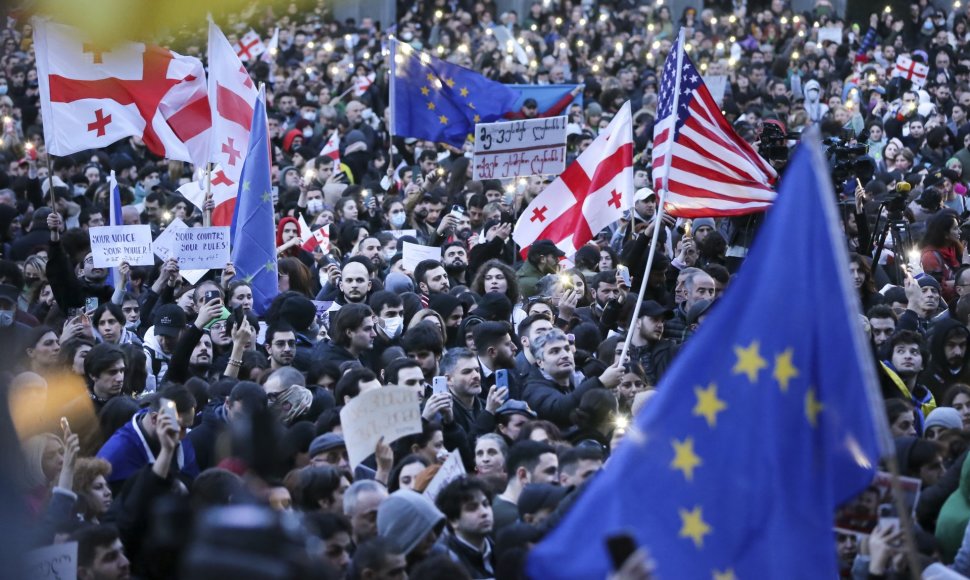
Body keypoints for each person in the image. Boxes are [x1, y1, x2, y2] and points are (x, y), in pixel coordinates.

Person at [96, 384, 199, 491]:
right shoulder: (117, 452)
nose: (183, 436)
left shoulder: (180, 438)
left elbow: (192, 479)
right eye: (181, 428)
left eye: (187, 428)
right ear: (155, 419)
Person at [491, 440, 558, 533]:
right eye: (550, 471)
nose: (557, 479)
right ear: (523, 475)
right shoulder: (513, 520)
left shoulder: (500, 508)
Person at [434, 477, 495, 578]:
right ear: (453, 520)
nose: (484, 512)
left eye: (486, 504)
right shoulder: (445, 562)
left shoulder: (502, 548)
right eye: (472, 508)